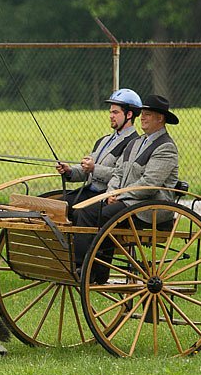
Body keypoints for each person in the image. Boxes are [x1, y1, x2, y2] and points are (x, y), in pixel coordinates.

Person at [72, 94, 180, 284]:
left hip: (150, 206)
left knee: (98, 215)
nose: (142, 118)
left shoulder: (166, 148)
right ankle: (92, 269)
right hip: (127, 201)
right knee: (87, 211)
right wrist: (111, 192)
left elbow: (149, 183)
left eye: (147, 114)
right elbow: (119, 173)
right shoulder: (136, 143)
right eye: (142, 114)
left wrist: (120, 195)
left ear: (160, 118)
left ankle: (85, 269)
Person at [55, 89, 142, 213]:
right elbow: (87, 168)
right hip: (88, 192)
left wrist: (94, 169)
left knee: (79, 213)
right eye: (110, 112)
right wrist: (70, 171)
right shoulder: (104, 140)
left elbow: (122, 175)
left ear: (129, 115)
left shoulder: (133, 143)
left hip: (105, 196)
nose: (111, 116)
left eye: (115, 112)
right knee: (55, 207)